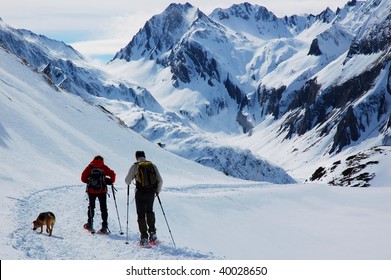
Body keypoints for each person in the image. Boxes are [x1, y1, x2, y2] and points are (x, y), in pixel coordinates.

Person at [125, 151, 163, 245]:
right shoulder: (152, 165)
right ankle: (153, 234)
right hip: (151, 193)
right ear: (145, 156)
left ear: (136, 157)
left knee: (141, 215)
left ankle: (144, 238)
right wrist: (157, 191)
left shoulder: (135, 166)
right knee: (149, 211)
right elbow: (160, 181)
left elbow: (127, 181)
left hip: (140, 193)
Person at [81, 155, 116, 233]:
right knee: (103, 208)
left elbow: (83, 178)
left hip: (91, 191)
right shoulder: (103, 167)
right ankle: (104, 226)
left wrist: (89, 182)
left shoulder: (90, 167)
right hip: (102, 191)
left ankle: (90, 224)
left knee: (91, 207)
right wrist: (110, 181)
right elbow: (113, 174)